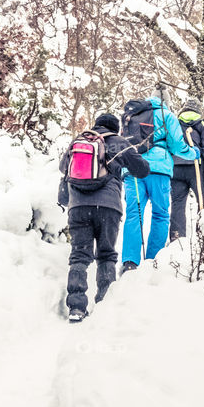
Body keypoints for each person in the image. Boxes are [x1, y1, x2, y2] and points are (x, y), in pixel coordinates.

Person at [59, 113, 150, 322]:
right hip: (108, 207)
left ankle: (76, 307)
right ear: (115, 128)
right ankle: (104, 306)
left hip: (78, 206)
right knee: (106, 255)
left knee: (79, 256)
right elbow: (142, 170)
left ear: (96, 125)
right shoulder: (118, 142)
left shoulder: (78, 141)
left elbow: (63, 168)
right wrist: (120, 166)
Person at [120, 87, 199, 272]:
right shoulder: (166, 114)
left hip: (133, 169)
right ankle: (153, 261)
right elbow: (178, 145)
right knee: (160, 215)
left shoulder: (132, 115)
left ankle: (130, 262)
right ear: (167, 101)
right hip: (159, 170)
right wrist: (193, 153)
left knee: (134, 214)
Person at [170, 97, 204, 241]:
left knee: (177, 204)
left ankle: (177, 239)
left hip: (176, 168)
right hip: (197, 168)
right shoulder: (203, 124)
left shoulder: (175, 124)